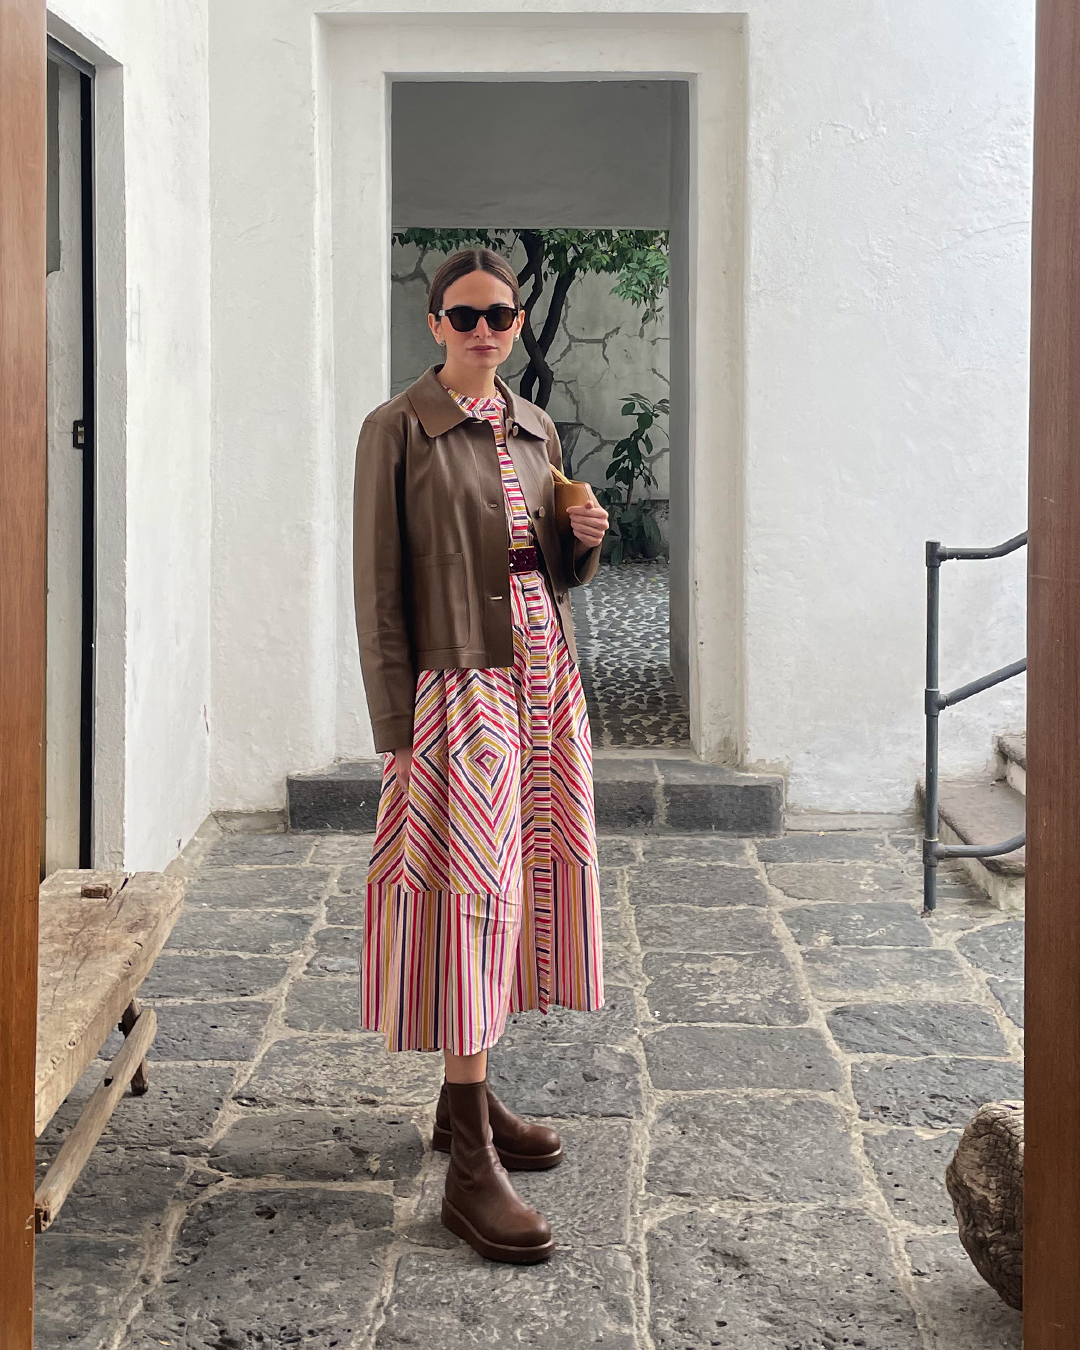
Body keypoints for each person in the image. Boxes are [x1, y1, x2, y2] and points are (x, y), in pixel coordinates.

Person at [351, 247, 609, 1264]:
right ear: (433, 322)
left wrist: (581, 536)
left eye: (499, 315)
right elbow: (378, 591)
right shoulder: (397, 430)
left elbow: (549, 566)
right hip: (455, 694)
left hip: (542, 679)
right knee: (469, 895)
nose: (484, 330)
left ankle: (475, 1099)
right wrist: (394, 734)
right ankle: (467, 1161)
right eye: (464, 315)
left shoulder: (534, 425)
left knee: (521, 884)